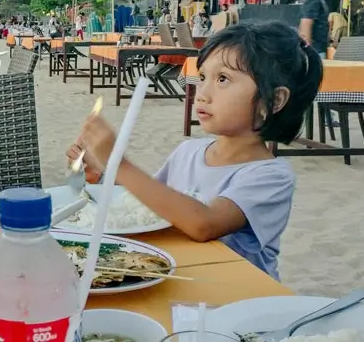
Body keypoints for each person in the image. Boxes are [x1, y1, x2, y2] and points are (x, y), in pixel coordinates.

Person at [68, 22, 323, 281]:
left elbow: (205, 224)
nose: (202, 93)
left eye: (222, 79)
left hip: (238, 295)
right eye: (202, 78)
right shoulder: (189, 151)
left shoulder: (270, 176)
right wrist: (101, 172)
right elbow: (147, 205)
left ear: (274, 100)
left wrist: (119, 164)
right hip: (181, 281)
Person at [298, 0, 336, 126]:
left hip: (320, 47)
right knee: (317, 84)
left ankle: (326, 117)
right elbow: (306, 24)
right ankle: (324, 117)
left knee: (320, 84)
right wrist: (308, 49)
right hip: (315, 50)